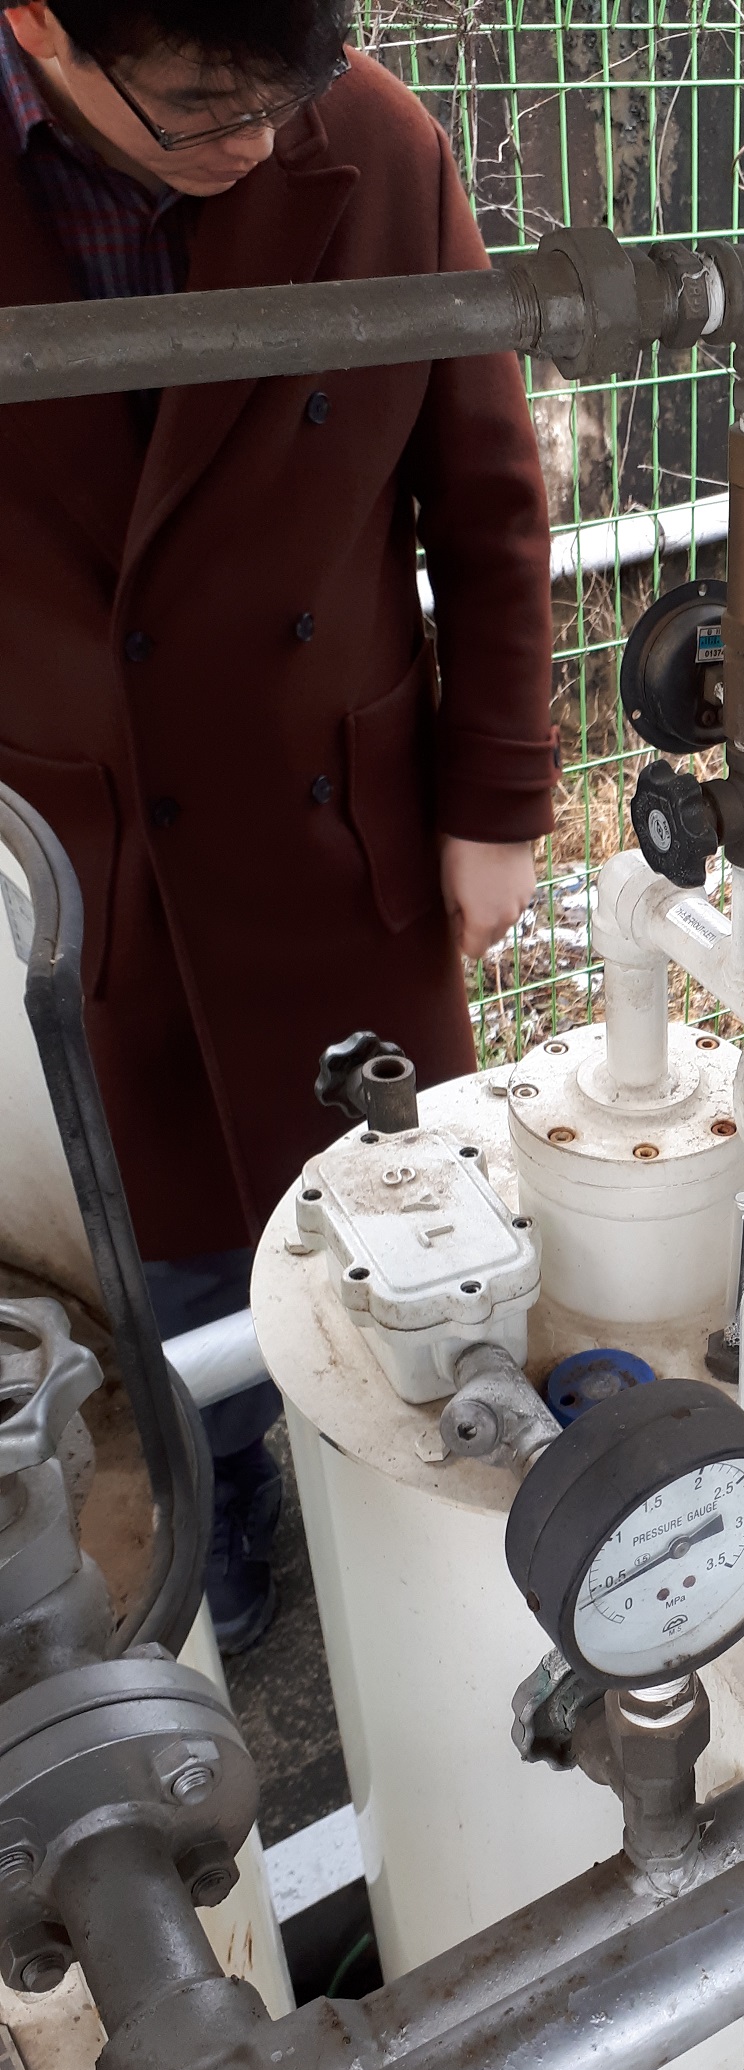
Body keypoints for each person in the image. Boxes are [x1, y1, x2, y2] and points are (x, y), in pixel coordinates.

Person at [0, 0, 557, 1649]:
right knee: (162, 1228)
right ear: (38, 23)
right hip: (87, 832)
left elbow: (487, 500)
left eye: (287, 87)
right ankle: (221, 1472)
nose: (258, 141)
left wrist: (498, 798)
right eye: (201, 105)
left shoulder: (374, 143)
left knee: (400, 1182)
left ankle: (422, 1481)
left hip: (337, 804)